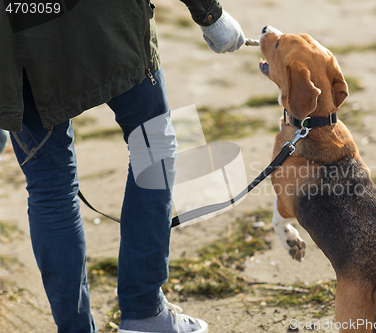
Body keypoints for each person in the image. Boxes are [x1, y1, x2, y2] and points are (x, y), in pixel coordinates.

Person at [0, 1, 245, 332]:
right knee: (154, 147)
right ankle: (145, 311)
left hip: (17, 36)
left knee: (50, 187)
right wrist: (210, 15)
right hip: (107, 18)